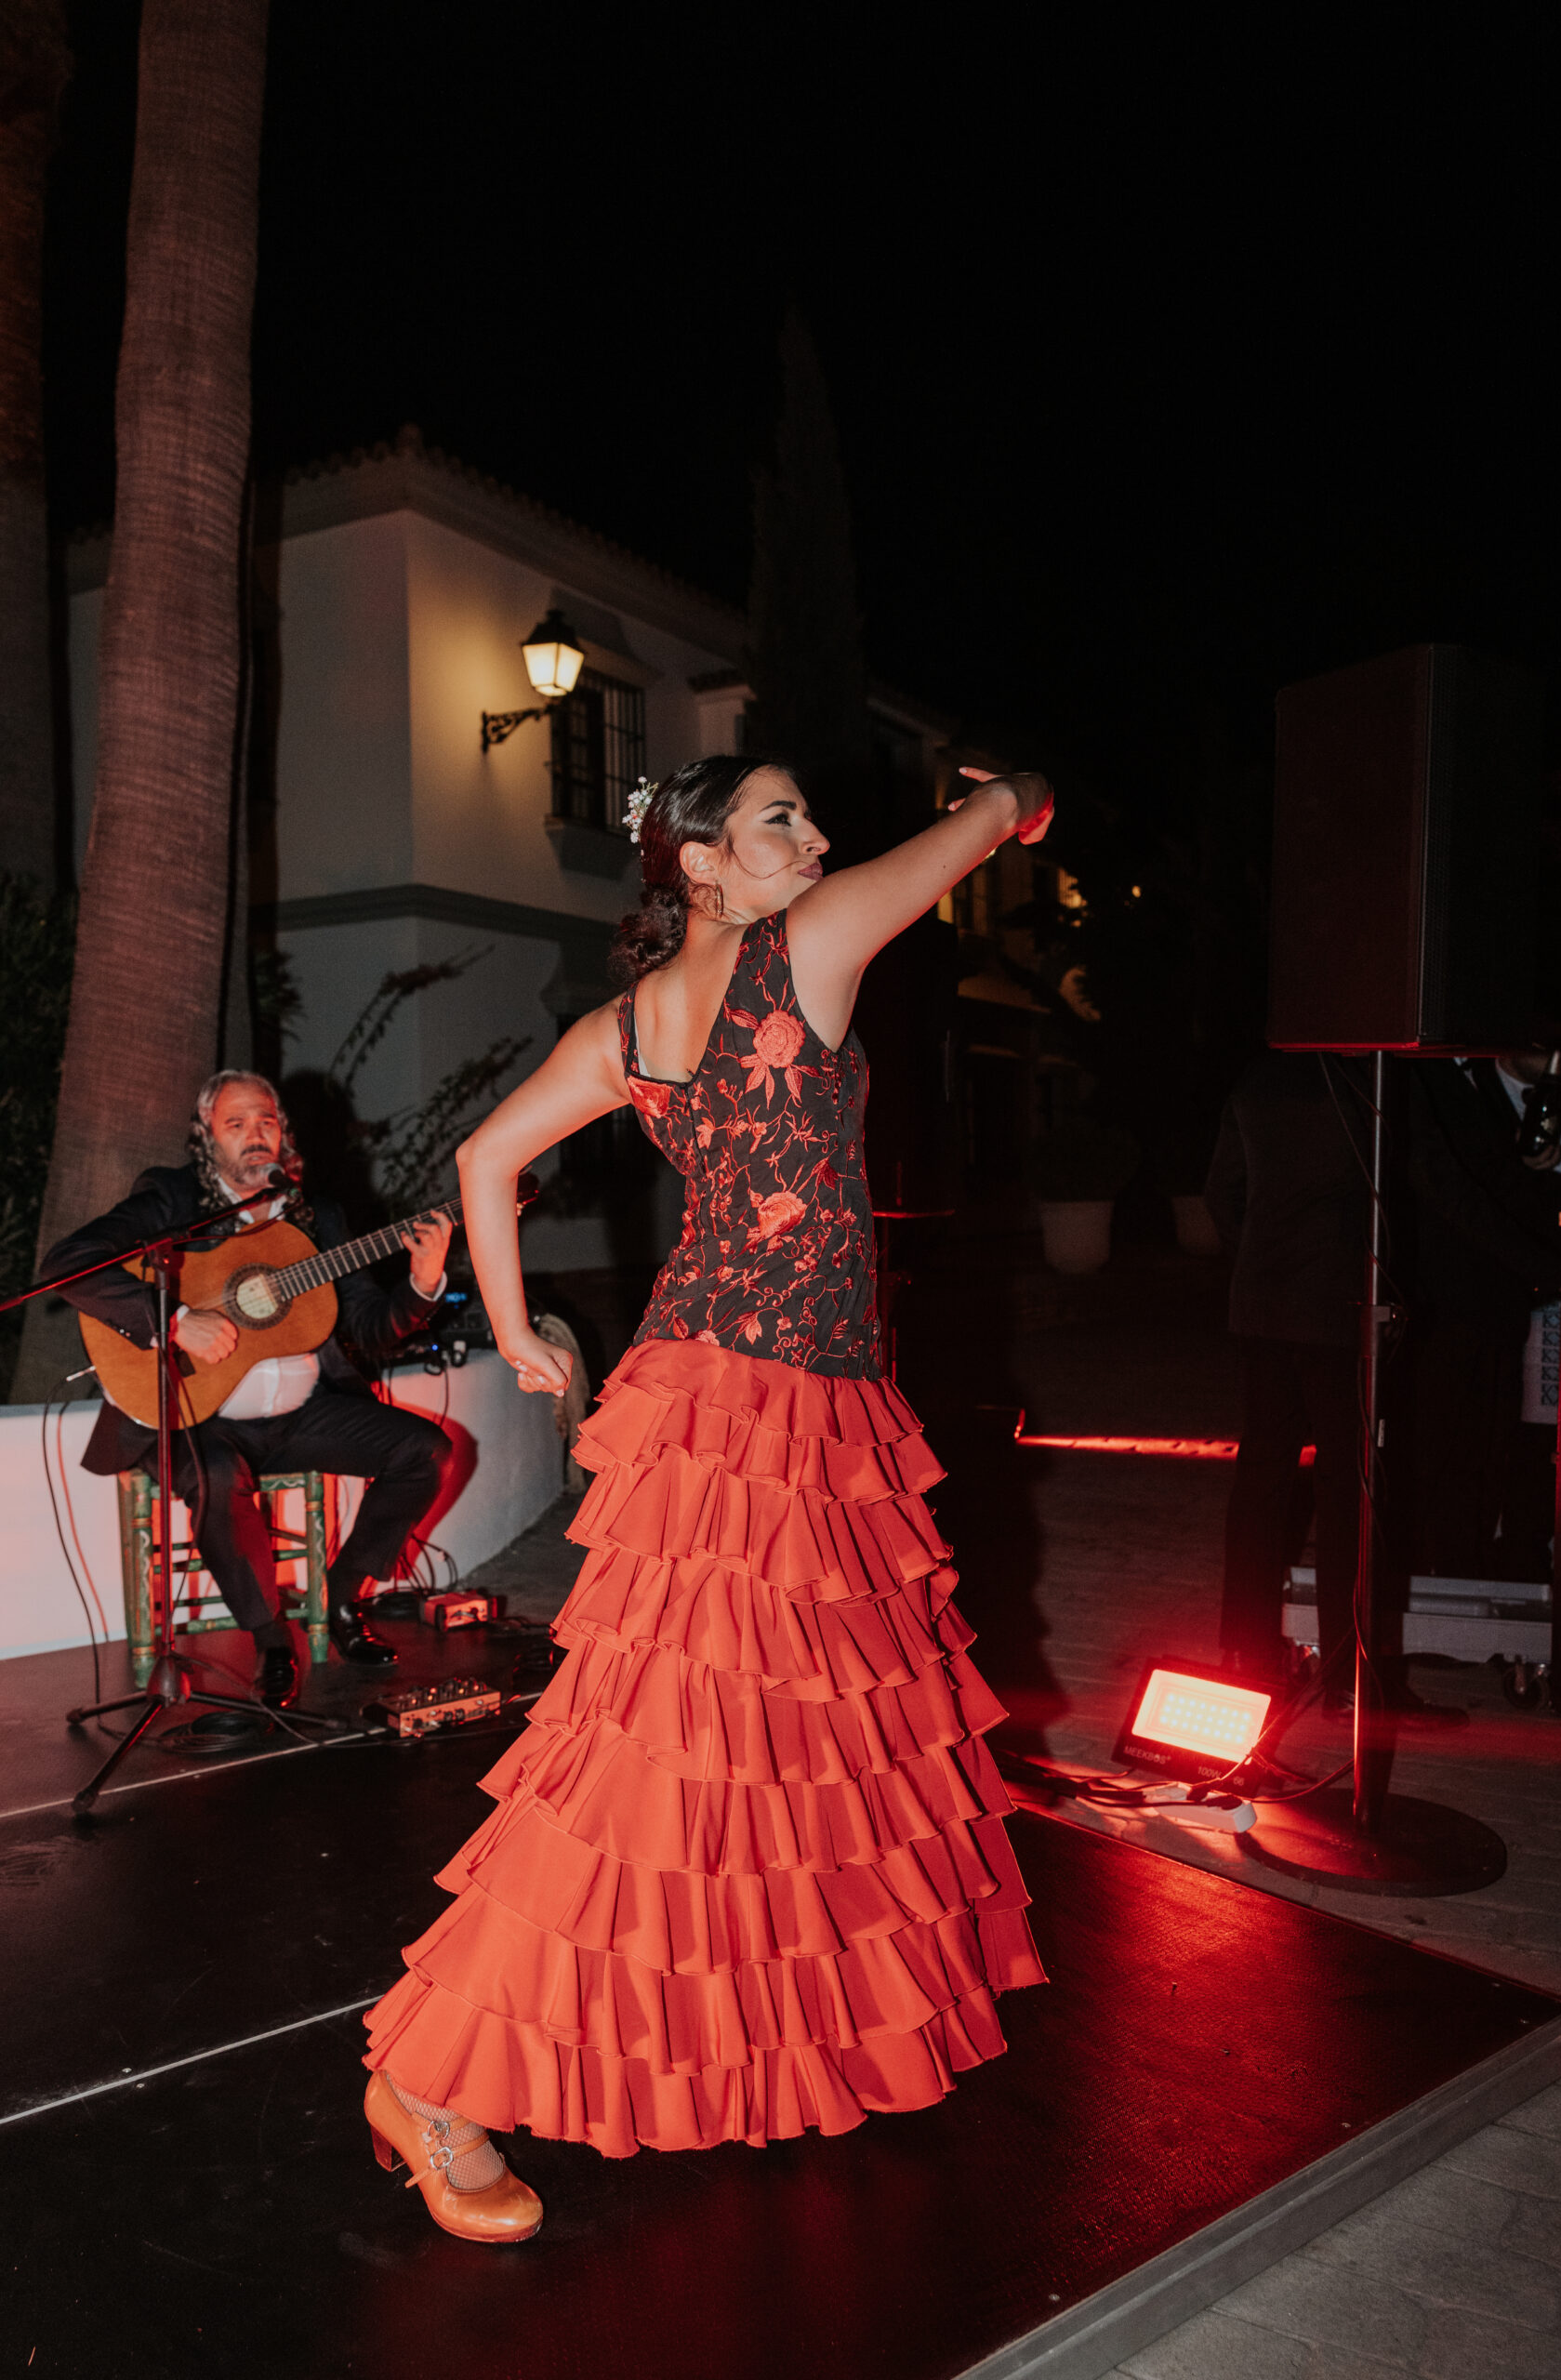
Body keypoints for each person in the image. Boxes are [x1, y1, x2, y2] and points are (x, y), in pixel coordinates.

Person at [359, 754, 1053, 2244]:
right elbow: (992, 822)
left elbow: (486, 1161)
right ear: (704, 871)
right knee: (655, 1763)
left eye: (810, 811)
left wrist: (526, 1325)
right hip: (762, 1409)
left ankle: (783, 2042)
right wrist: (1023, 795)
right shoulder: (806, 943)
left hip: (751, 1392)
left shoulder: (626, 1025)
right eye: (779, 821)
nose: (815, 835)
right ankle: (431, 2082)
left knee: (786, 1747)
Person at [43, 1070, 454, 1707]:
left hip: (304, 1415)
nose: (254, 1135)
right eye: (235, 1124)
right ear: (206, 1138)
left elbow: (372, 1328)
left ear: (284, 1131)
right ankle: (271, 1642)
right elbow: (68, 1265)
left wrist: (422, 1283)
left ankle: (341, 1603)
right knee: (211, 1474)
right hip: (196, 1414)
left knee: (426, 1452)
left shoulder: (321, 1218)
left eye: (265, 1120)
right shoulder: (172, 1197)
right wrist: (176, 1321)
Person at [1203, 1052, 1368, 1702]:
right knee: (1346, 1485)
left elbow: (1222, 1191)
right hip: (1338, 1306)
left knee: (1261, 1478)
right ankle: (1345, 1674)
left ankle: (1244, 1652)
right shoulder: (1364, 1079)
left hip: (1264, 1303)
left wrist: (1262, 1254)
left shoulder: (1259, 1076)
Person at [1403, 1047, 1561, 1584]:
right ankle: (1439, 1583)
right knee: (1448, 1455)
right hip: (1451, 1300)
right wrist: (1549, 1266)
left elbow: (1493, 1183)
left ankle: (1463, 1573)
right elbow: (1457, 1196)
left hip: (1490, 1300)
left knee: (1482, 1455)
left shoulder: (1464, 1078)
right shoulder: (1427, 1077)